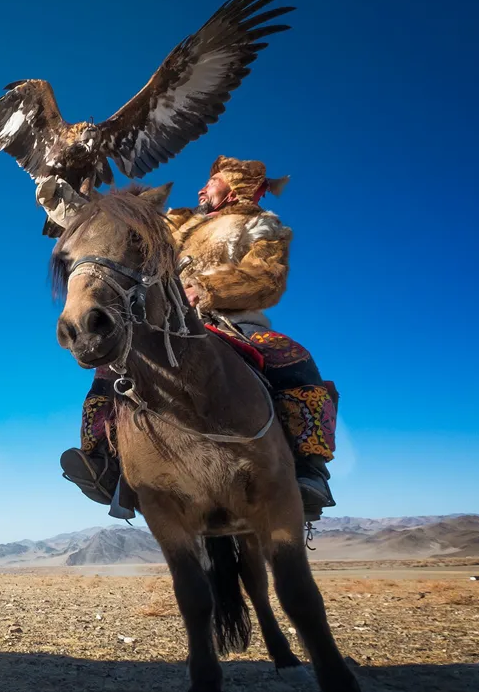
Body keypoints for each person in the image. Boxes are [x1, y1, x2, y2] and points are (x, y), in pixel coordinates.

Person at [61, 156, 339, 520]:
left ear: (237, 186)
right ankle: (103, 463)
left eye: (213, 181)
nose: (202, 187)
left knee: (295, 360)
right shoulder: (176, 223)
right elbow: (121, 231)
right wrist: (65, 194)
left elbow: (267, 277)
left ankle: (308, 469)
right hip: (166, 319)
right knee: (109, 370)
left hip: (233, 320)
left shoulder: (258, 224)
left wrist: (206, 289)